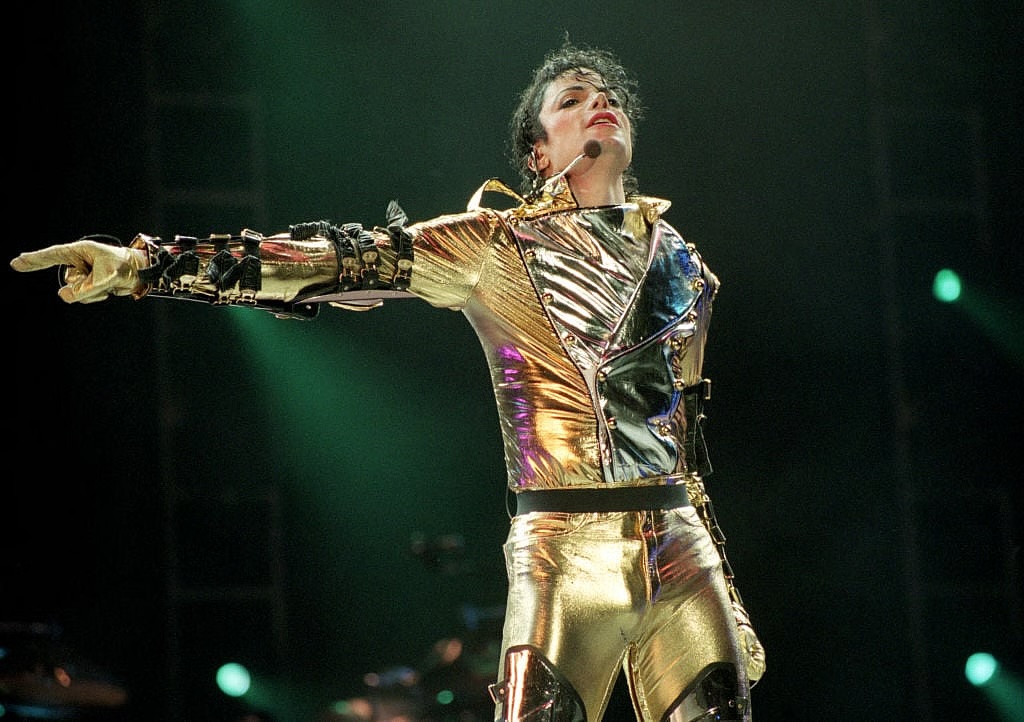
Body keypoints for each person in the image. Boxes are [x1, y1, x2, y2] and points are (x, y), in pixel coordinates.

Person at [10, 41, 766, 722]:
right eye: (572, 99)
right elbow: (329, 259)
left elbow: (684, 439)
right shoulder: (495, 246)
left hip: (681, 550)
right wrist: (142, 265)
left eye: (607, 94)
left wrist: (722, 578)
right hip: (567, 551)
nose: (599, 99)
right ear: (538, 154)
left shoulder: (683, 263)